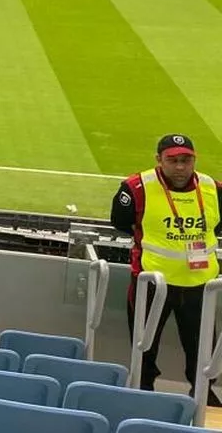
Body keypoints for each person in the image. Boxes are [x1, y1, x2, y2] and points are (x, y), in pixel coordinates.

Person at [111, 134, 222, 404]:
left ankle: (203, 396)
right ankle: (142, 393)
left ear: (194, 160)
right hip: (151, 284)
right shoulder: (137, 187)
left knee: (202, 348)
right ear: (158, 159)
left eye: (186, 160)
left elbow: (217, 227)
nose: (180, 167)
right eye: (173, 160)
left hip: (200, 286)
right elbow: (122, 222)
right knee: (144, 347)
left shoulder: (213, 189)